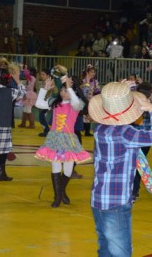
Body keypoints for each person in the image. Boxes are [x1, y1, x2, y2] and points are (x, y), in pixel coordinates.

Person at [89, 81, 152, 257]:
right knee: (121, 251)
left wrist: (121, 90)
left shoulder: (100, 129)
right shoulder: (126, 133)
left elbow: (116, 110)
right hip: (116, 201)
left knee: (105, 248)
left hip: (98, 199)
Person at [35, 75, 91, 208]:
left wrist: (70, 88)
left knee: (68, 168)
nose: (62, 92)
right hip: (54, 138)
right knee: (56, 166)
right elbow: (38, 104)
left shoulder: (76, 104)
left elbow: (77, 103)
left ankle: (61, 192)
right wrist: (44, 89)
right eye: (62, 90)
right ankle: (58, 196)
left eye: (65, 90)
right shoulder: (55, 103)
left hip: (69, 140)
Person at [81, 65, 100, 136]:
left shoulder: (95, 81)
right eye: (91, 72)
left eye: (94, 72)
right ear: (87, 72)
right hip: (83, 100)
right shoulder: (83, 81)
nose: (93, 74)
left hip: (91, 100)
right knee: (82, 115)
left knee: (89, 116)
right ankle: (80, 128)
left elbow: (97, 91)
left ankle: (87, 131)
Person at [37, 68, 52, 137]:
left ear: (48, 76)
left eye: (43, 74)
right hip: (44, 103)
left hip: (48, 103)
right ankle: (46, 130)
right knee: (41, 117)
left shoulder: (50, 83)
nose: (41, 76)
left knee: (41, 116)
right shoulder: (43, 82)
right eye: (41, 74)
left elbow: (49, 93)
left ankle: (47, 131)